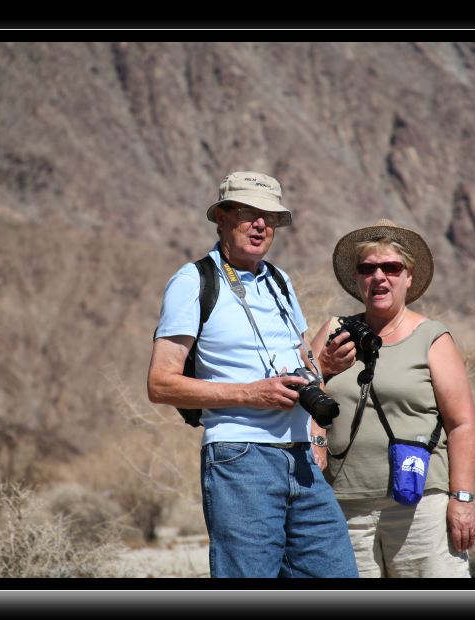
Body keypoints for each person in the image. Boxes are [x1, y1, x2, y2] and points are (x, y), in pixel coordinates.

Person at [147, 171, 358, 578]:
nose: (260, 224)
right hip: (240, 456)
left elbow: (300, 364)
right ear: (221, 218)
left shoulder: (280, 280)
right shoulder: (193, 281)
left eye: (270, 217)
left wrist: (325, 367)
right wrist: (250, 394)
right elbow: (160, 383)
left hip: (300, 456)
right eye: (247, 213)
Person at [308, 218, 475, 578]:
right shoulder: (335, 332)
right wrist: (317, 432)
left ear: (408, 276)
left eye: (391, 267)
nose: (379, 277)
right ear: (357, 279)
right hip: (343, 506)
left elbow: (462, 423)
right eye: (368, 268)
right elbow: (304, 392)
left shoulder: (432, 338)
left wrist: (462, 499)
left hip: (420, 507)